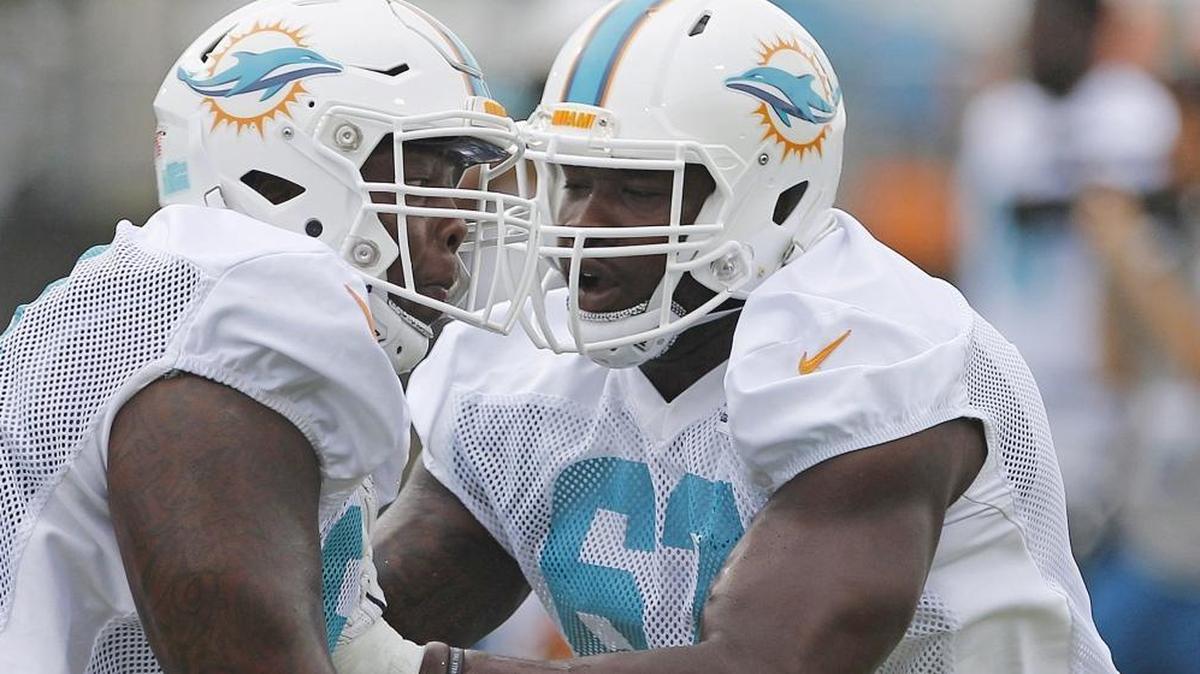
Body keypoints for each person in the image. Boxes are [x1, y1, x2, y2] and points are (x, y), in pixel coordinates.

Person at [372, 0, 1118, 672]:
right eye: (574, 181)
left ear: (770, 194)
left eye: (637, 189)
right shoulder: (521, 371)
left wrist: (428, 671)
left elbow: (764, 663)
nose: (579, 228)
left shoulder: (871, 350)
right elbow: (377, 617)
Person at [0, 1, 535, 672]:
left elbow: (365, 660)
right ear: (284, 173)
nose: (455, 222)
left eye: (454, 184)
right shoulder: (254, 304)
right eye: (420, 178)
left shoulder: (167, 298)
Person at [956, 0, 1181, 557]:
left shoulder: (1135, 109)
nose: (1051, 38)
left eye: (1069, 24)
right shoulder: (998, 116)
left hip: (1104, 377)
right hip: (1006, 359)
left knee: (1100, 542)